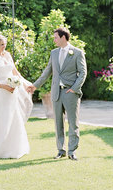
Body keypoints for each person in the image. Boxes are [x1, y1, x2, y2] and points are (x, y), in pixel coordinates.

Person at [27, 26, 87, 160]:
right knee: (58, 123)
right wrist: (35, 86)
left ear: (63, 37)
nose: (54, 40)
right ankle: (61, 150)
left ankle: (72, 151)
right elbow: (47, 72)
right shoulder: (54, 53)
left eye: (55, 37)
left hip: (71, 92)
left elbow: (83, 73)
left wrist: (74, 88)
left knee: (73, 123)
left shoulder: (77, 53)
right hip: (56, 93)